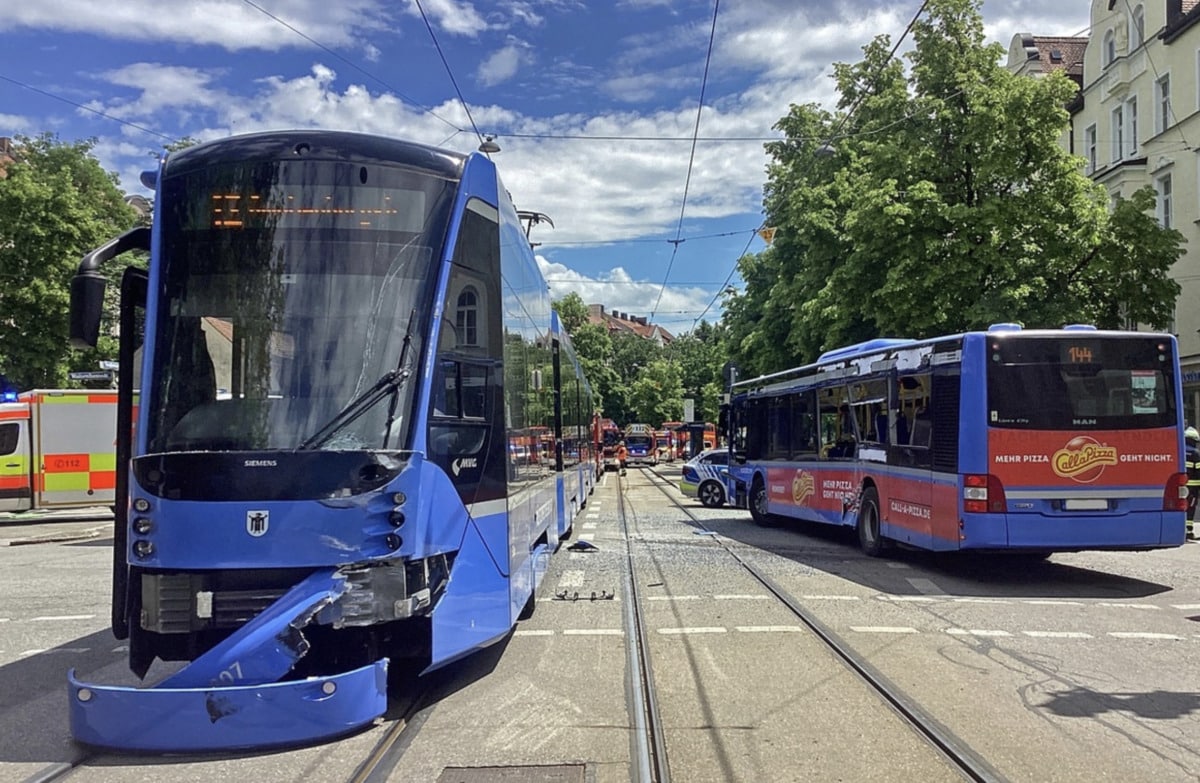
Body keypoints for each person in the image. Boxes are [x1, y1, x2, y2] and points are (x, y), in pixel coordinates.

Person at [1186, 426, 1200, 539]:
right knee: (1190, 508)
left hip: (1179, 487)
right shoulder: (1195, 454)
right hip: (1192, 488)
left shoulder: (1178, 450)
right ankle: (1188, 531)